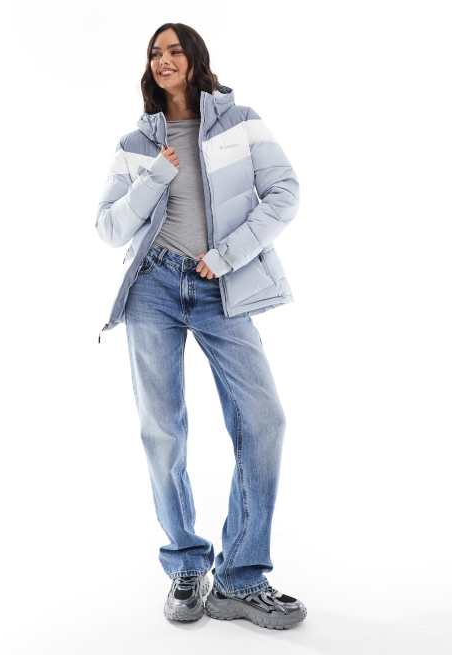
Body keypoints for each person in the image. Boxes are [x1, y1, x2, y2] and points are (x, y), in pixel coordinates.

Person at [95, 22, 307, 630]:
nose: (163, 60)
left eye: (173, 50)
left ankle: (240, 577)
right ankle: (186, 565)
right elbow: (109, 227)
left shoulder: (241, 121)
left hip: (222, 287)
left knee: (264, 420)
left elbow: (284, 192)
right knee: (163, 432)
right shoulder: (136, 142)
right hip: (153, 289)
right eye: (154, 53)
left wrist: (228, 255)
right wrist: (153, 178)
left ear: (194, 58)